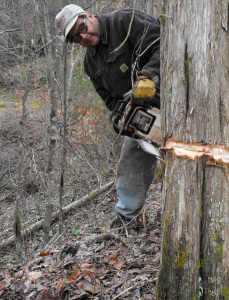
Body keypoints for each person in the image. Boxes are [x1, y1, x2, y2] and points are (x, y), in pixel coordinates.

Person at [55, 4, 161, 228]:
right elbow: (110, 100)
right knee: (130, 164)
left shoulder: (123, 21)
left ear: (89, 16)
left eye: (82, 27)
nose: (83, 36)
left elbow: (166, 42)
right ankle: (128, 220)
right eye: (76, 38)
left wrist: (148, 76)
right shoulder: (90, 63)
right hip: (143, 119)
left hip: (174, 98)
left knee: (186, 158)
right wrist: (121, 116)